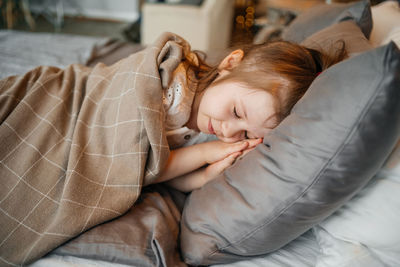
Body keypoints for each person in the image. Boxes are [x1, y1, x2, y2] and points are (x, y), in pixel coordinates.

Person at [153, 40, 347, 192]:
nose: (228, 132)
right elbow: (141, 165)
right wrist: (204, 152)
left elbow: (153, 177)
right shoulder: (170, 84)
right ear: (231, 63)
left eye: (246, 135)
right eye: (236, 112)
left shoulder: (211, 139)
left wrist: (204, 177)